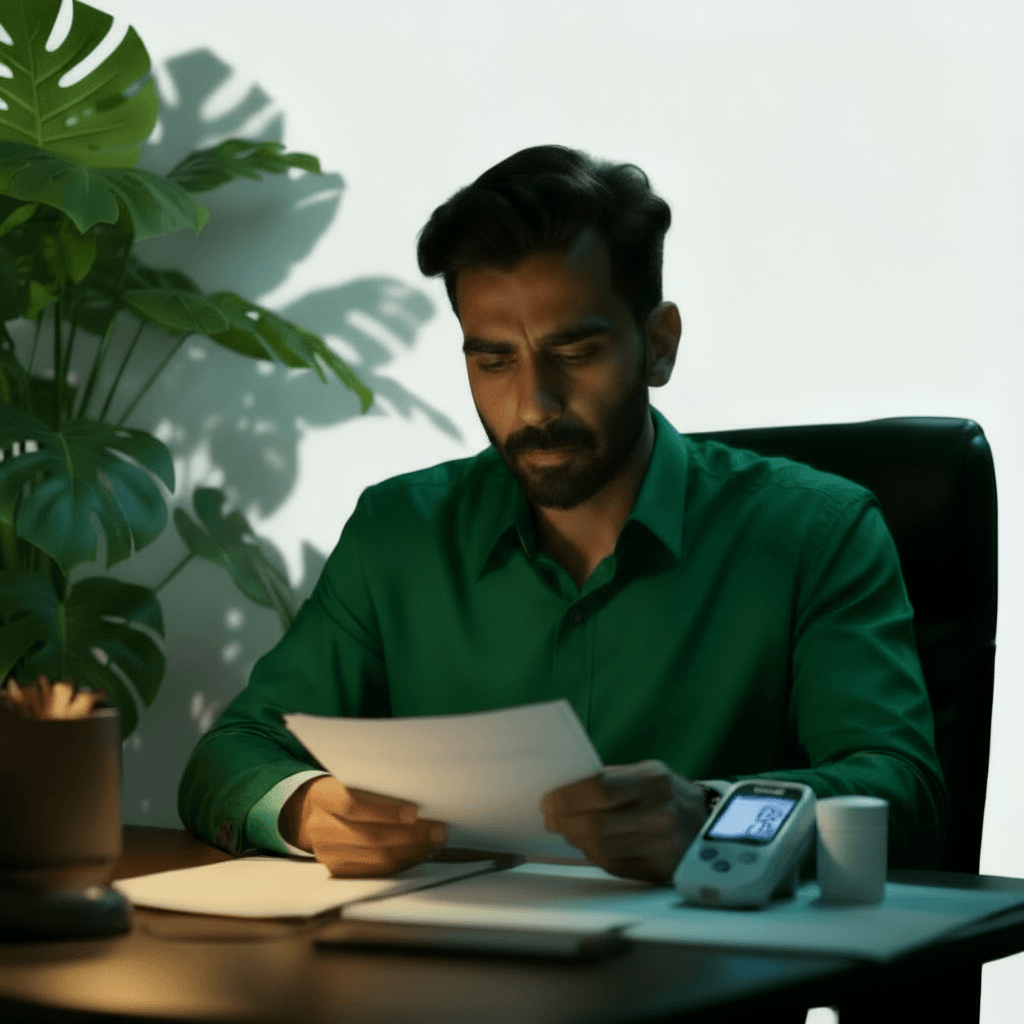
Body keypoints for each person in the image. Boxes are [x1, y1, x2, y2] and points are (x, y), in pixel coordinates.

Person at [178, 145, 946, 884]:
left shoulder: (816, 533)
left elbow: (901, 793)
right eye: (494, 361)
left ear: (659, 345)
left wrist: (714, 819)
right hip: (442, 962)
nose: (534, 405)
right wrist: (309, 808)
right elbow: (233, 753)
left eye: (575, 354)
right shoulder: (397, 533)